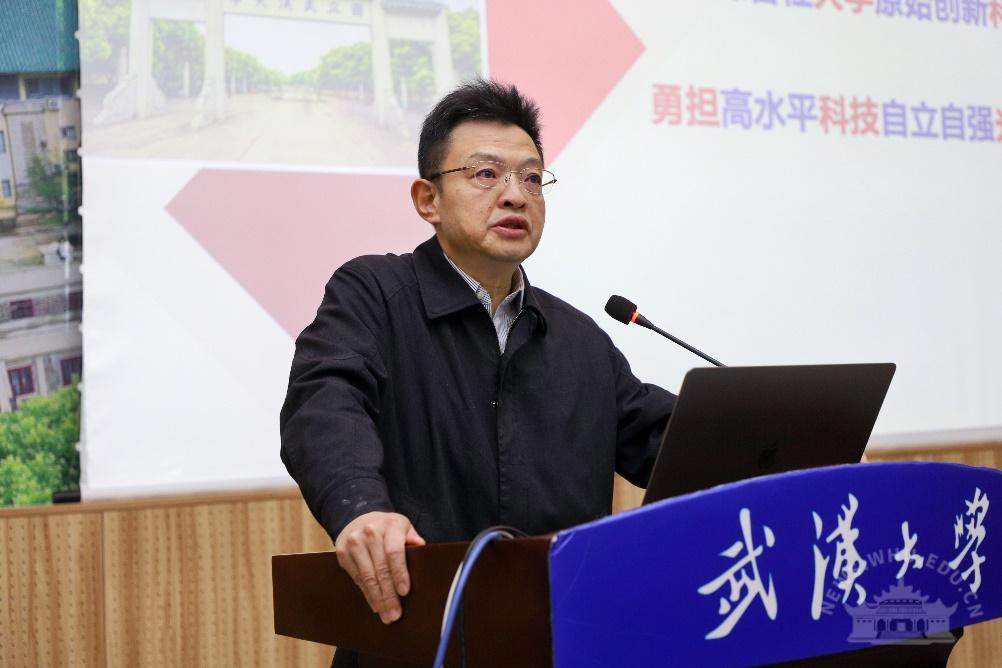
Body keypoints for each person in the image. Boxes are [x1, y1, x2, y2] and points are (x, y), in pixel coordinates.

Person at [279, 79, 675, 667]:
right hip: (415, 643)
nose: (515, 195)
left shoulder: (579, 339)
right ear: (428, 199)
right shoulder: (375, 295)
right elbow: (323, 402)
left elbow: (665, 441)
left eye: (532, 179)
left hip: (557, 643)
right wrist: (360, 508)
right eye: (486, 174)